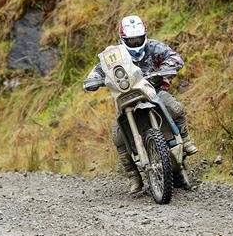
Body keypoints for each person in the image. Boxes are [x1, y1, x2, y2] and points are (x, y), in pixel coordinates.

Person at [83, 15, 197, 193]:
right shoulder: (113, 55)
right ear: (123, 39)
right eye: (131, 40)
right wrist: (94, 80)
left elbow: (175, 57)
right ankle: (133, 176)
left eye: (138, 39)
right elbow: (98, 70)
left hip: (154, 92)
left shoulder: (154, 46)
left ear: (145, 36)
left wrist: (163, 70)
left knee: (176, 108)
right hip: (126, 96)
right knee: (118, 137)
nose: (136, 43)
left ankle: (186, 139)